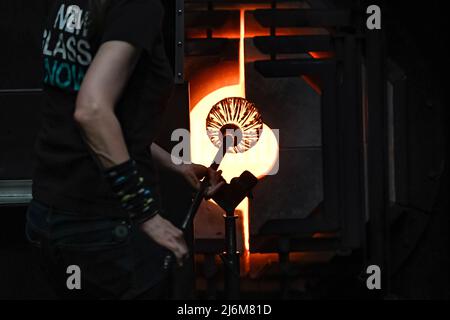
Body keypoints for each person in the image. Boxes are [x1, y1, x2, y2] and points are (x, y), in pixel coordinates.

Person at [26, 0, 224, 299]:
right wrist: (145, 215)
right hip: (106, 230)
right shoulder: (136, 7)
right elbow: (91, 111)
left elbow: (104, 122)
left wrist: (177, 165)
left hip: (51, 220)